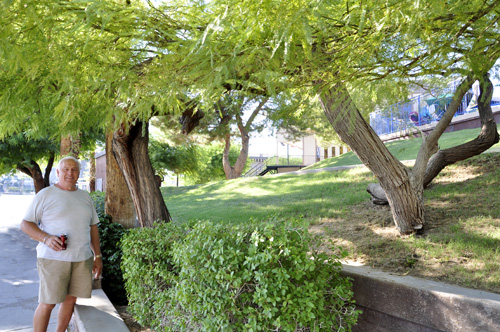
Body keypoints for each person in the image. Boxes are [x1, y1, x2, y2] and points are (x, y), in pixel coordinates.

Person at [20, 156, 103, 332]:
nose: (70, 173)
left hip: (81, 259)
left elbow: (93, 227)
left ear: (79, 173)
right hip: (52, 259)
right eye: (65, 169)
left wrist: (97, 256)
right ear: (58, 172)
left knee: (70, 300)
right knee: (48, 303)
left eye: (74, 170)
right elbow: (26, 224)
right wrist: (46, 238)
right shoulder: (45, 195)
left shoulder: (84, 196)